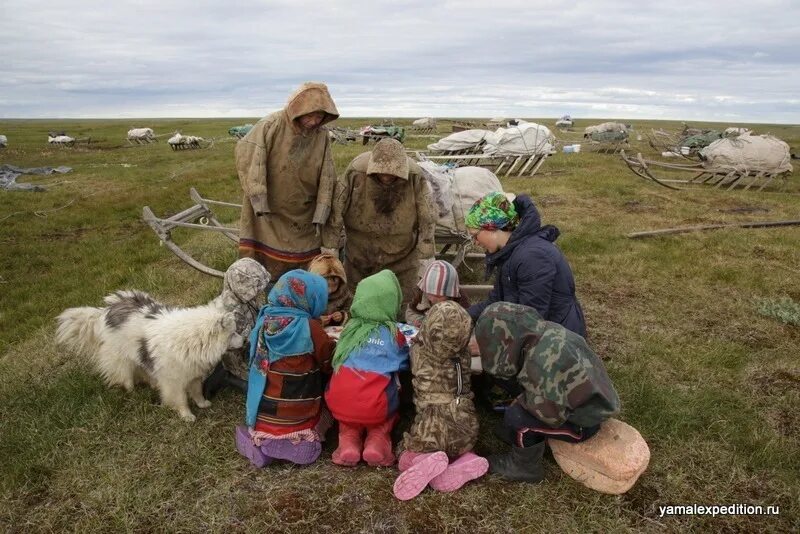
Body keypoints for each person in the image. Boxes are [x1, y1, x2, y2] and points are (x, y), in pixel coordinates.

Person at [475, 302, 620, 482]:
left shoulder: (541, 363)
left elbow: (549, 413)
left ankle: (524, 467)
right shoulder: (543, 334)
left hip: (585, 420)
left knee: (517, 417)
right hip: (592, 397)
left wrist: (521, 405)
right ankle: (519, 436)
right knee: (518, 401)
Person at [236, 81, 340, 281]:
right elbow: (249, 154)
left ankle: (300, 285)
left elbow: (327, 171)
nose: (314, 121)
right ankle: (265, 283)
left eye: (320, 116)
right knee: (264, 250)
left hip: (304, 207)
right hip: (271, 207)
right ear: (298, 110)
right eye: (311, 115)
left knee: (305, 252)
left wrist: (323, 207)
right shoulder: (271, 125)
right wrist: (258, 196)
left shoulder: (321, 135)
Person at [234, 270, 335, 467]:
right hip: (299, 409)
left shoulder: (264, 320)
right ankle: (295, 441)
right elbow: (327, 360)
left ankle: (261, 440)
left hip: (264, 410)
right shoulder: (309, 327)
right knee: (327, 412)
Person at [393, 301, 488, 500]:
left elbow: (410, 349)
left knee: (402, 449)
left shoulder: (419, 352)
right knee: (459, 444)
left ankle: (421, 459)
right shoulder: (464, 354)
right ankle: (465, 458)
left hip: (431, 424)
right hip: (465, 421)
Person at [326, 138, 436, 307]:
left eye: (393, 173)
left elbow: (427, 217)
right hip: (359, 254)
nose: (386, 176)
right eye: (381, 171)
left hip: (402, 257)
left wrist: (426, 257)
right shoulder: (356, 171)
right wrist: (330, 250)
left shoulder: (415, 176)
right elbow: (336, 211)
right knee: (356, 302)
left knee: (401, 303)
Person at [465, 191, 586, 337]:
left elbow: (532, 321)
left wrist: (486, 344)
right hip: (539, 335)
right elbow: (497, 301)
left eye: (475, 235)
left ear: (491, 227)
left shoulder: (533, 257)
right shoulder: (509, 253)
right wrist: (462, 315)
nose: (476, 242)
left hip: (558, 343)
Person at [324, 270, 409, 467]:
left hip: (339, 403)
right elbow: (404, 362)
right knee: (386, 400)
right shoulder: (393, 333)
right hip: (376, 406)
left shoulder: (349, 329)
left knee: (349, 414)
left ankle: (348, 442)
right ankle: (377, 440)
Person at [202, 258, 271, 399]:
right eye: (255, 289)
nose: (259, 292)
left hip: (250, 349)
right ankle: (226, 377)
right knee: (267, 390)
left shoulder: (245, 297)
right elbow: (239, 344)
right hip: (237, 361)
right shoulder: (229, 314)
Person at [404, 260, 470, 328]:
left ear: (450, 295)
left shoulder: (460, 300)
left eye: (438, 296)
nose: (432, 299)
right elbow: (411, 312)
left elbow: (466, 324)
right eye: (429, 294)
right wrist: (418, 321)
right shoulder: (421, 293)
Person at [307, 252, 352, 327]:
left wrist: (342, 316)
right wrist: (317, 321)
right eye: (325, 279)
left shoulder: (345, 295)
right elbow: (301, 318)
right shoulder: (307, 296)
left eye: (334, 279)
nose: (330, 283)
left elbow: (352, 311)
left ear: (341, 280)